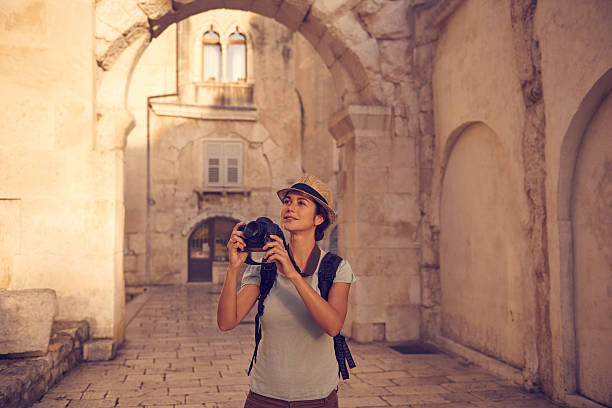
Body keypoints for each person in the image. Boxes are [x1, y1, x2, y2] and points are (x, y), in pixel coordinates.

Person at [217, 173, 356, 408]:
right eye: (287, 201)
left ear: (319, 218)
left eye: (301, 203)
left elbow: (333, 326)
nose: (290, 208)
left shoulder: (336, 268)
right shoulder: (264, 268)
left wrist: (292, 274)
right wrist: (233, 268)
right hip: (263, 397)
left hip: (317, 398)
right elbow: (226, 322)